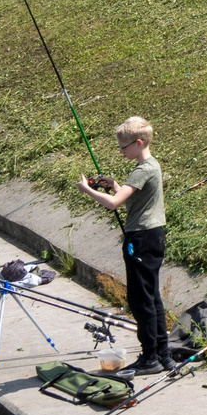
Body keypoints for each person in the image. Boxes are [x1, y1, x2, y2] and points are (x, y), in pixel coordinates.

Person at [81, 116, 171, 374]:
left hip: (141, 240)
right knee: (151, 297)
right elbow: (133, 201)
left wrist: (86, 189)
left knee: (139, 299)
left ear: (138, 142)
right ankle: (162, 353)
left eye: (123, 147)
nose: (121, 151)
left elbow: (113, 204)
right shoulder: (152, 165)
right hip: (152, 236)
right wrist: (115, 185)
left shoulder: (142, 169)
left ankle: (150, 358)